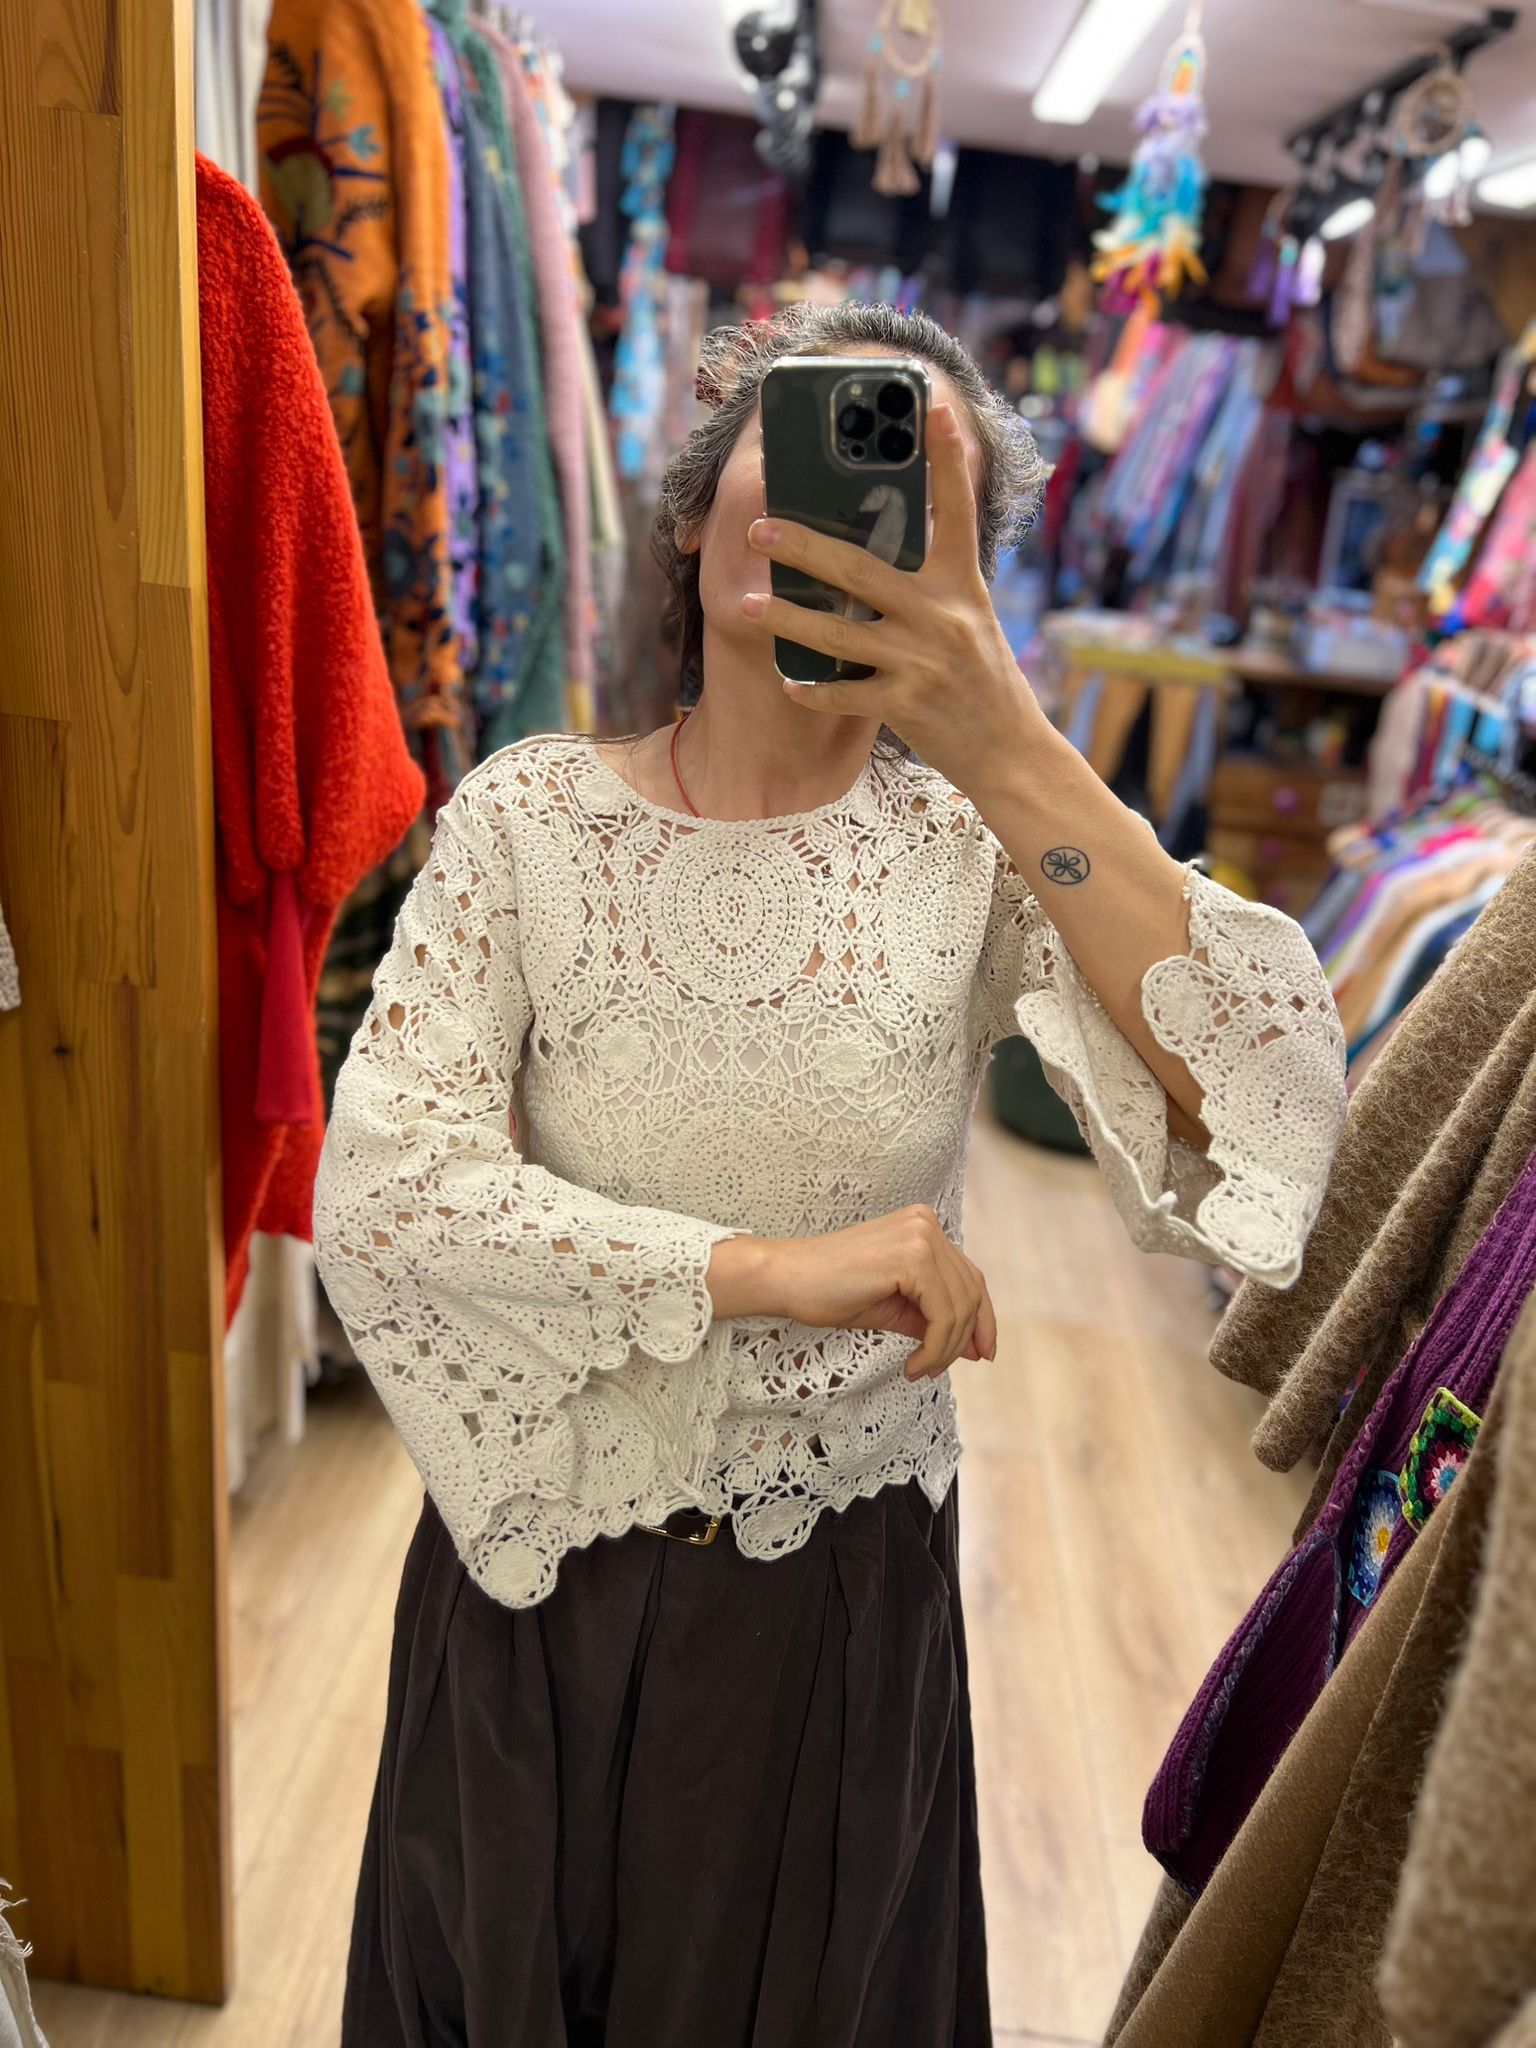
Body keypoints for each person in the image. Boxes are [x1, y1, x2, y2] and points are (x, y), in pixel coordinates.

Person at [314, 303, 1349, 2047]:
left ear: (964, 572)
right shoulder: (529, 821)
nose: (828, 505)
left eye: (907, 488)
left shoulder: (969, 855)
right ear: (694, 508)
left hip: (832, 1617)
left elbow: (1274, 1107)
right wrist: (764, 1268)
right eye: (793, 446)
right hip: (534, 1591)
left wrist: (1002, 735)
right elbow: (386, 1194)